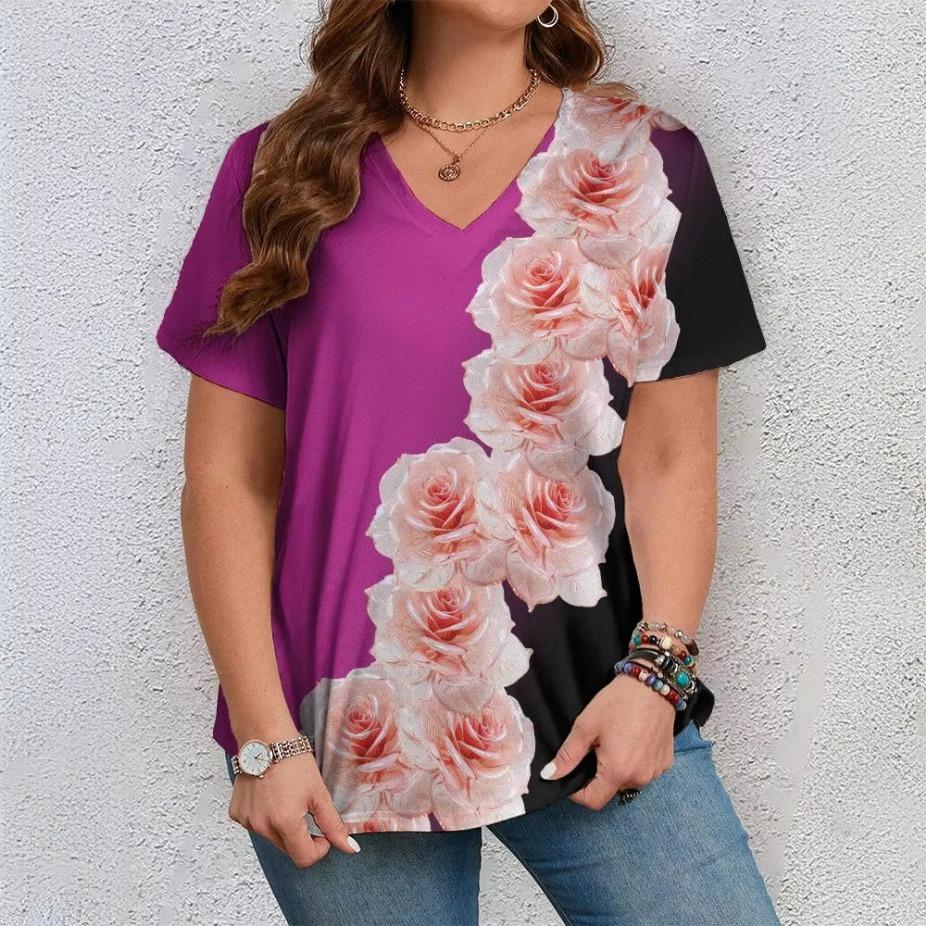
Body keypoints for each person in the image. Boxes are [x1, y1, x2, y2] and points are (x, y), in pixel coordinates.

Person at [156, 1, 780, 923]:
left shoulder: (646, 160)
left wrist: (659, 679)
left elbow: (671, 458)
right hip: (335, 735)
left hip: (602, 700)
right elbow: (228, 482)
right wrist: (264, 738)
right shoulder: (280, 170)